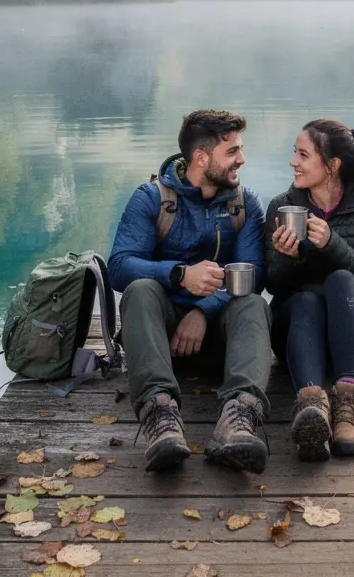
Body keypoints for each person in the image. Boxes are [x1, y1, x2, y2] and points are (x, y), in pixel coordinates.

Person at [108, 109, 272, 474]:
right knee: (139, 290)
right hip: (161, 344)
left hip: (222, 341)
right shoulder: (151, 198)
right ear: (201, 158)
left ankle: (239, 418)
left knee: (253, 303)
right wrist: (180, 274)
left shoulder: (245, 204)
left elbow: (253, 274)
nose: (241, 160)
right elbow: (118, 266)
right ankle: (160, 415)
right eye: (232, 152)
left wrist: (204, 311)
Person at [264, 119, 354, 461]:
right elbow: (271, 284)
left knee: (341, 280)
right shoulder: (282, 206)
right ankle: (311, 406)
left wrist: (333, 244)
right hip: (297, 334)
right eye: (295, 152)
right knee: (305, 297)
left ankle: (349, 399)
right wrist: (287, 257)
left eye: (303, 154)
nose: (293, 161)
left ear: (332, 166)